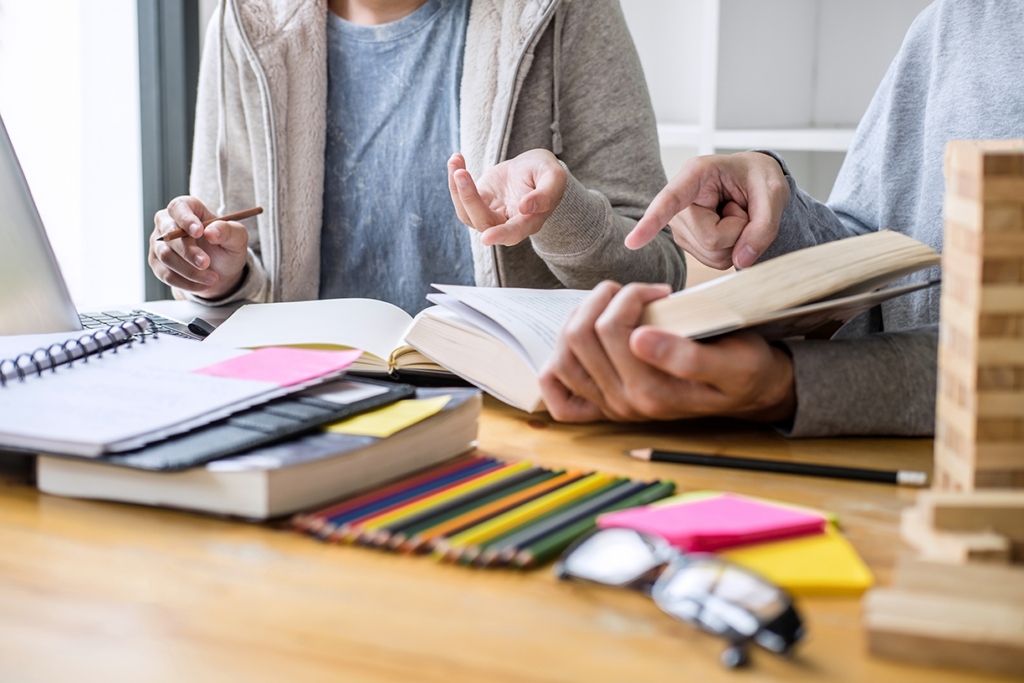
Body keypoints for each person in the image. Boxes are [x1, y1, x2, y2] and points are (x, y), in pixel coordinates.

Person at [539, 0, 1024, 436]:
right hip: (866, 462)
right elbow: (880, 276)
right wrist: (772, 206)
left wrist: (794, 384)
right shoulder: (953, 21)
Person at [147, 0, 685, 316]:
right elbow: (243, 286)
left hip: (518, 410)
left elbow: (658, 274)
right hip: (310, 405)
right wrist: (220, 278)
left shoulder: (558, 11)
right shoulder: (250, 20)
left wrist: (561, 212)